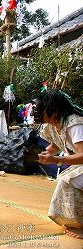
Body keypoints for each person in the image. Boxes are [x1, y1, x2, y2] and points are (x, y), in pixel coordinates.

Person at [33, 89, 83, 239]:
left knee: (68, 180)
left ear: (53, 111)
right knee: (66, 178)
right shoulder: (55, 124)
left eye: (39, 108)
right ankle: (77, 222)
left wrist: (56, 160)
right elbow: (55, 146)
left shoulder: (75, 124)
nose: (35, 112)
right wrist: (39, 155)